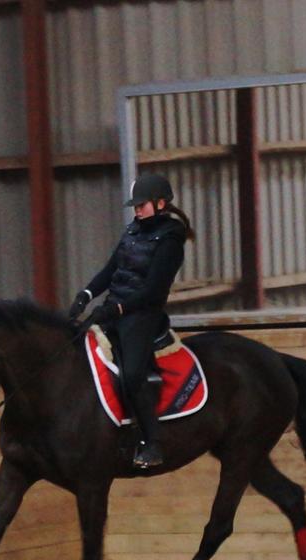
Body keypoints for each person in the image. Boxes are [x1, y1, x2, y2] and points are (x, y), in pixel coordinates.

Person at [68, 172, 195, 470]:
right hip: (117, 309)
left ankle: (152, 442)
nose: (137, 209)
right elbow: (111, 269)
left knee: (133, 374)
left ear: (160, 203)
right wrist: (85, 295)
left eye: (142, 205)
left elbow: (153, 290)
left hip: (142, 316)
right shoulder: (133, 231)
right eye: (135, 205)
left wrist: (117, 310)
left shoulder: (170, 240)